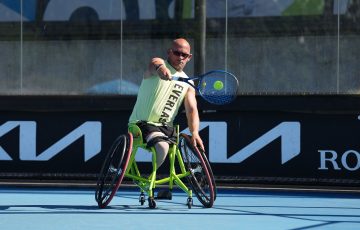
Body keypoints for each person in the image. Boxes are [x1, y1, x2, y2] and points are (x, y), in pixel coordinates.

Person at [129, 38, 204, 172]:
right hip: (141, 125)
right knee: (163, 147)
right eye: (176, 53)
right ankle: (149, 178)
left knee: (172, 146)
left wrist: (195, 132)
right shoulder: (159, 64)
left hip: (166, 129)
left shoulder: (189, 84)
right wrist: (160, 69)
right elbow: (154, 63)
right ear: (169, 52)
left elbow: (192, 110)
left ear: (189, 57)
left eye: (184, 55)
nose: (180, 57)